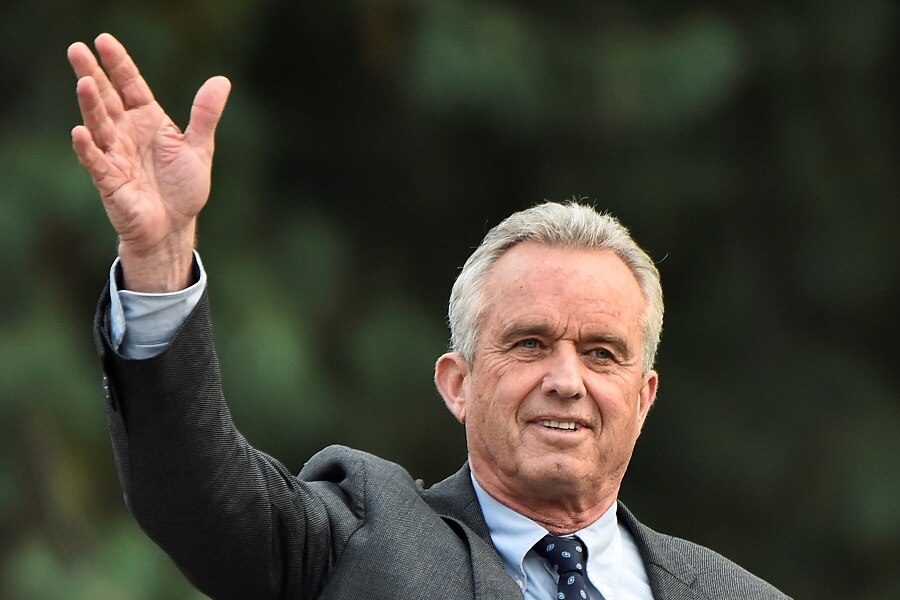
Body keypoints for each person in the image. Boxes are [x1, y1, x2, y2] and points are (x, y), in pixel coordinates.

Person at [68, 33, 791, 600]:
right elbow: (201, 499)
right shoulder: (361, 540)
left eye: (602, 353)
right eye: (529, 343)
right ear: (458, 382)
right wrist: (158, 262)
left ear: (644, 396)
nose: (565, 379)